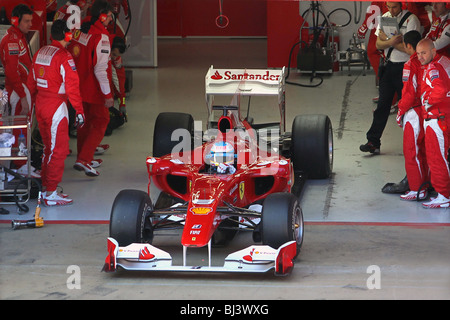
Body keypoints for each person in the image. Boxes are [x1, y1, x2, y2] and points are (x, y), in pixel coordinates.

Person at [27, 20, 85, 206]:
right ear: (67, 35)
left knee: (48, 148)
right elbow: (73, 87)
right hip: (56, 108)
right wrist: (79, 110)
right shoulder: (64, 56)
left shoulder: (40, 52)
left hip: (40, 105)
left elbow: (31, 83)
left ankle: (46, 188)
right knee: (58, 150)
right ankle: (50, 193)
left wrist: (31, 108)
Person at [360, 2, 421, 155]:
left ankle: (416, 143)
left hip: (405, 69)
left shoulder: (411, 20)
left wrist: (388, 40)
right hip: (388, 67)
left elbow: (410, 50)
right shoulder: (385, 18)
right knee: (382, 106)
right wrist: (392, 41)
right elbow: (379, 45)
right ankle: (373, 141)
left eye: (394, 7)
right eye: (388, 6)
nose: (391, 10)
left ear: (401, 5)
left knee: (408, 108)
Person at [68, 0, 114, 176]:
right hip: (93, 89)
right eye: (110, 16)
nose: (111, 20)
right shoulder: (101, 38)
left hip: (77, 87)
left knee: (83, 123)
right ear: (102, 16)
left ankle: (83, 156)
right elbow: (100, 70)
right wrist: (108, 95)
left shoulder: (81, 31)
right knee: (101, 121)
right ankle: (85, 159)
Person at [0, 4, 40, 177]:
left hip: (23, 88)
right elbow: (11, 72)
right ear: (16, 21)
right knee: (19, 128)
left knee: (23, 126)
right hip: (18, 90)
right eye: (27, 21)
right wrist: (23, 96)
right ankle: (20, 165)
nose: (30, 24)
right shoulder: (11, 41)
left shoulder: (19, 37)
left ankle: (21, 164)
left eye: (31, 20)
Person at [416, 38, 450, 209]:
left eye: (424, 53)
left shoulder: (432, 69)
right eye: (418, 54)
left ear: (433, 51)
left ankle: (443, 195)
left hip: (437, 120)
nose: (420, 57)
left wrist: (428, 100)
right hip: (445, 116)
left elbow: (441, 90)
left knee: (437, 158)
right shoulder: (445, 62)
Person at [396, 30, 428, 201]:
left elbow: (409, 94)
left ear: (408, 46)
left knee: (412, 151)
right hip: (429, 111)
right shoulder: (431, 59)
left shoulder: (410, 64)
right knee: (425, 150)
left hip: (414, 112)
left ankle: (417, 189)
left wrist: (400, 111)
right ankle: (427, 184)